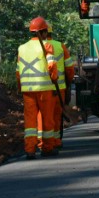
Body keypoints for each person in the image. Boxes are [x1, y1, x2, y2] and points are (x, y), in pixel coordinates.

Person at [16, 16, 59, 159]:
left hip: (27, 90)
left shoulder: (21, 48)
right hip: (44, 88)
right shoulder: (47, 45)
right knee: (47, 119)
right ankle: (47, 148)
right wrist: (54, 79)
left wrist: (19, 87)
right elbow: (52, 66)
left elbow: (18, 71)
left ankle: (30, 150)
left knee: (30, 121)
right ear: (43, 32)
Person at [46, 23, 75, 149]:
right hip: (59, 87)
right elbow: (69, 68)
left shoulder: (33, 47)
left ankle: (45, 142)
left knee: (44, 115)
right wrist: (69, 82)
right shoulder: (59, 46)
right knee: (57, 115)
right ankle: (56, 141)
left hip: (41, 89)